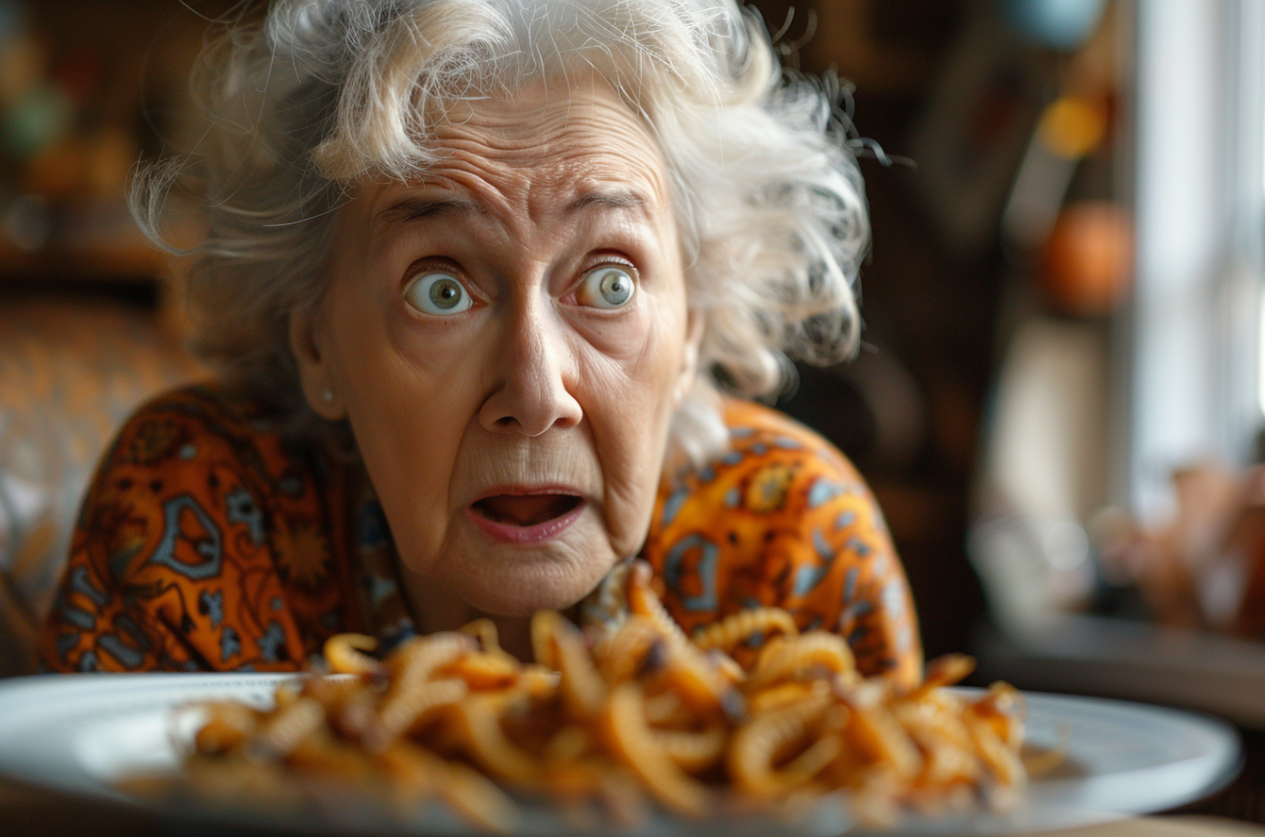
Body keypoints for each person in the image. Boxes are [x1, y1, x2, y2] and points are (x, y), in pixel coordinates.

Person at [37, 0, 921, 688]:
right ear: (315, 343)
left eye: (608, 282)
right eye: (441, 290)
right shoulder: (192, 510)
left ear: (689, 329)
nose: (537, 393)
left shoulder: (792, 558)